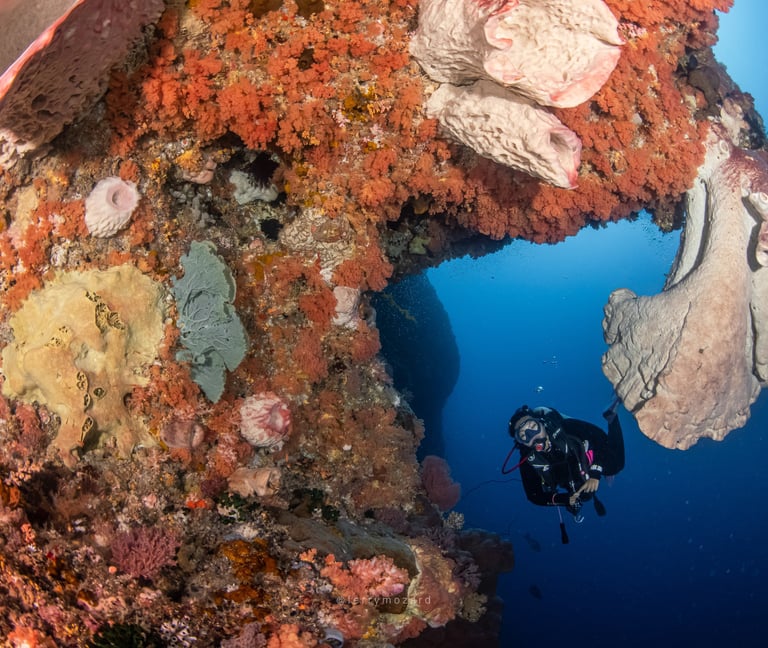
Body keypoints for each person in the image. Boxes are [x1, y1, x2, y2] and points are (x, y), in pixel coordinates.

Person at [507, 398, 624, 521]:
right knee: (584, 496)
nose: (532, 434)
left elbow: (599, 438)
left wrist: (596, 470)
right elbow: (534, 495)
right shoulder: (528, 461)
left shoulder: (566, 427)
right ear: (522, 443)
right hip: (570, 475)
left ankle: (612, 418)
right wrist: (564, 500)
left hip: (588, 454)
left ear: (541, 423)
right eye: (524, 435)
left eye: (532, 426)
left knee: (615, 465)